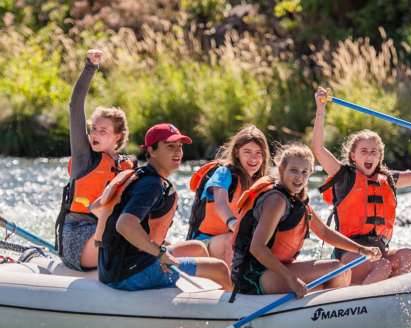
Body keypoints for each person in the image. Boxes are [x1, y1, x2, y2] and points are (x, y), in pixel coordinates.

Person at [312, 87, 411, 285]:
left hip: (377, 254)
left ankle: (399, 299)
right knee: (382, 265)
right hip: (349, 254)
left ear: (380, 156)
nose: (369, 155)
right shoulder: (344, 176)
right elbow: (319, 150)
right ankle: (362, 303)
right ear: (353, 156)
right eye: (364, 151)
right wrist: (321, 111)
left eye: (374, 152)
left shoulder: (388, 179)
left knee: (407, 255)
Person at [229, 142, 381, 301]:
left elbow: (324, 232)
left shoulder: (298, 199)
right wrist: (291, 278)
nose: (299, 177)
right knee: (337, 269)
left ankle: (321, 316)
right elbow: (257, 247)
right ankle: (323, 317)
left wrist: (362, 249)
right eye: (293, 170)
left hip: (270, 270)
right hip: (251, 276)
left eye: (304, 172)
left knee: (342, 271)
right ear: (281, 169)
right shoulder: (276, 200)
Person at [92, 124, 232, 291]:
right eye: (170, 146)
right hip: (131, 274)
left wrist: (147, 241)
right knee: (220, 269)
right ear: (152, 151)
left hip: (112, 268)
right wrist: (160, 253)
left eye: (180, 146)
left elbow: (97, 208)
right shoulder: (152, 186)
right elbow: (124, 224)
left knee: (198, 247)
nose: (178, 152)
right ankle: (235, 312)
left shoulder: (138, 176)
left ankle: (198, 298)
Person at [55, 49, 137, 272]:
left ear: (117, 136)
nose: (95, 134)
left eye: (103, 131)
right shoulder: (84, 157)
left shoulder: (128, 166)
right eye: (94, 129)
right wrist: (90, 67)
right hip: (78, 235)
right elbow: (75, 106)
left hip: (109, 230)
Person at [187, 125, 270, 266]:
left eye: (258, 152)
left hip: (230, 242)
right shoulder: (224, 173)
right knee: (231, 240)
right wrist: (237, 227)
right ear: (236, 153)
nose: (253, 158)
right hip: (200, 244)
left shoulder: (261, 183)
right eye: (247, 152)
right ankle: (234, 285)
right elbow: (220, 205)